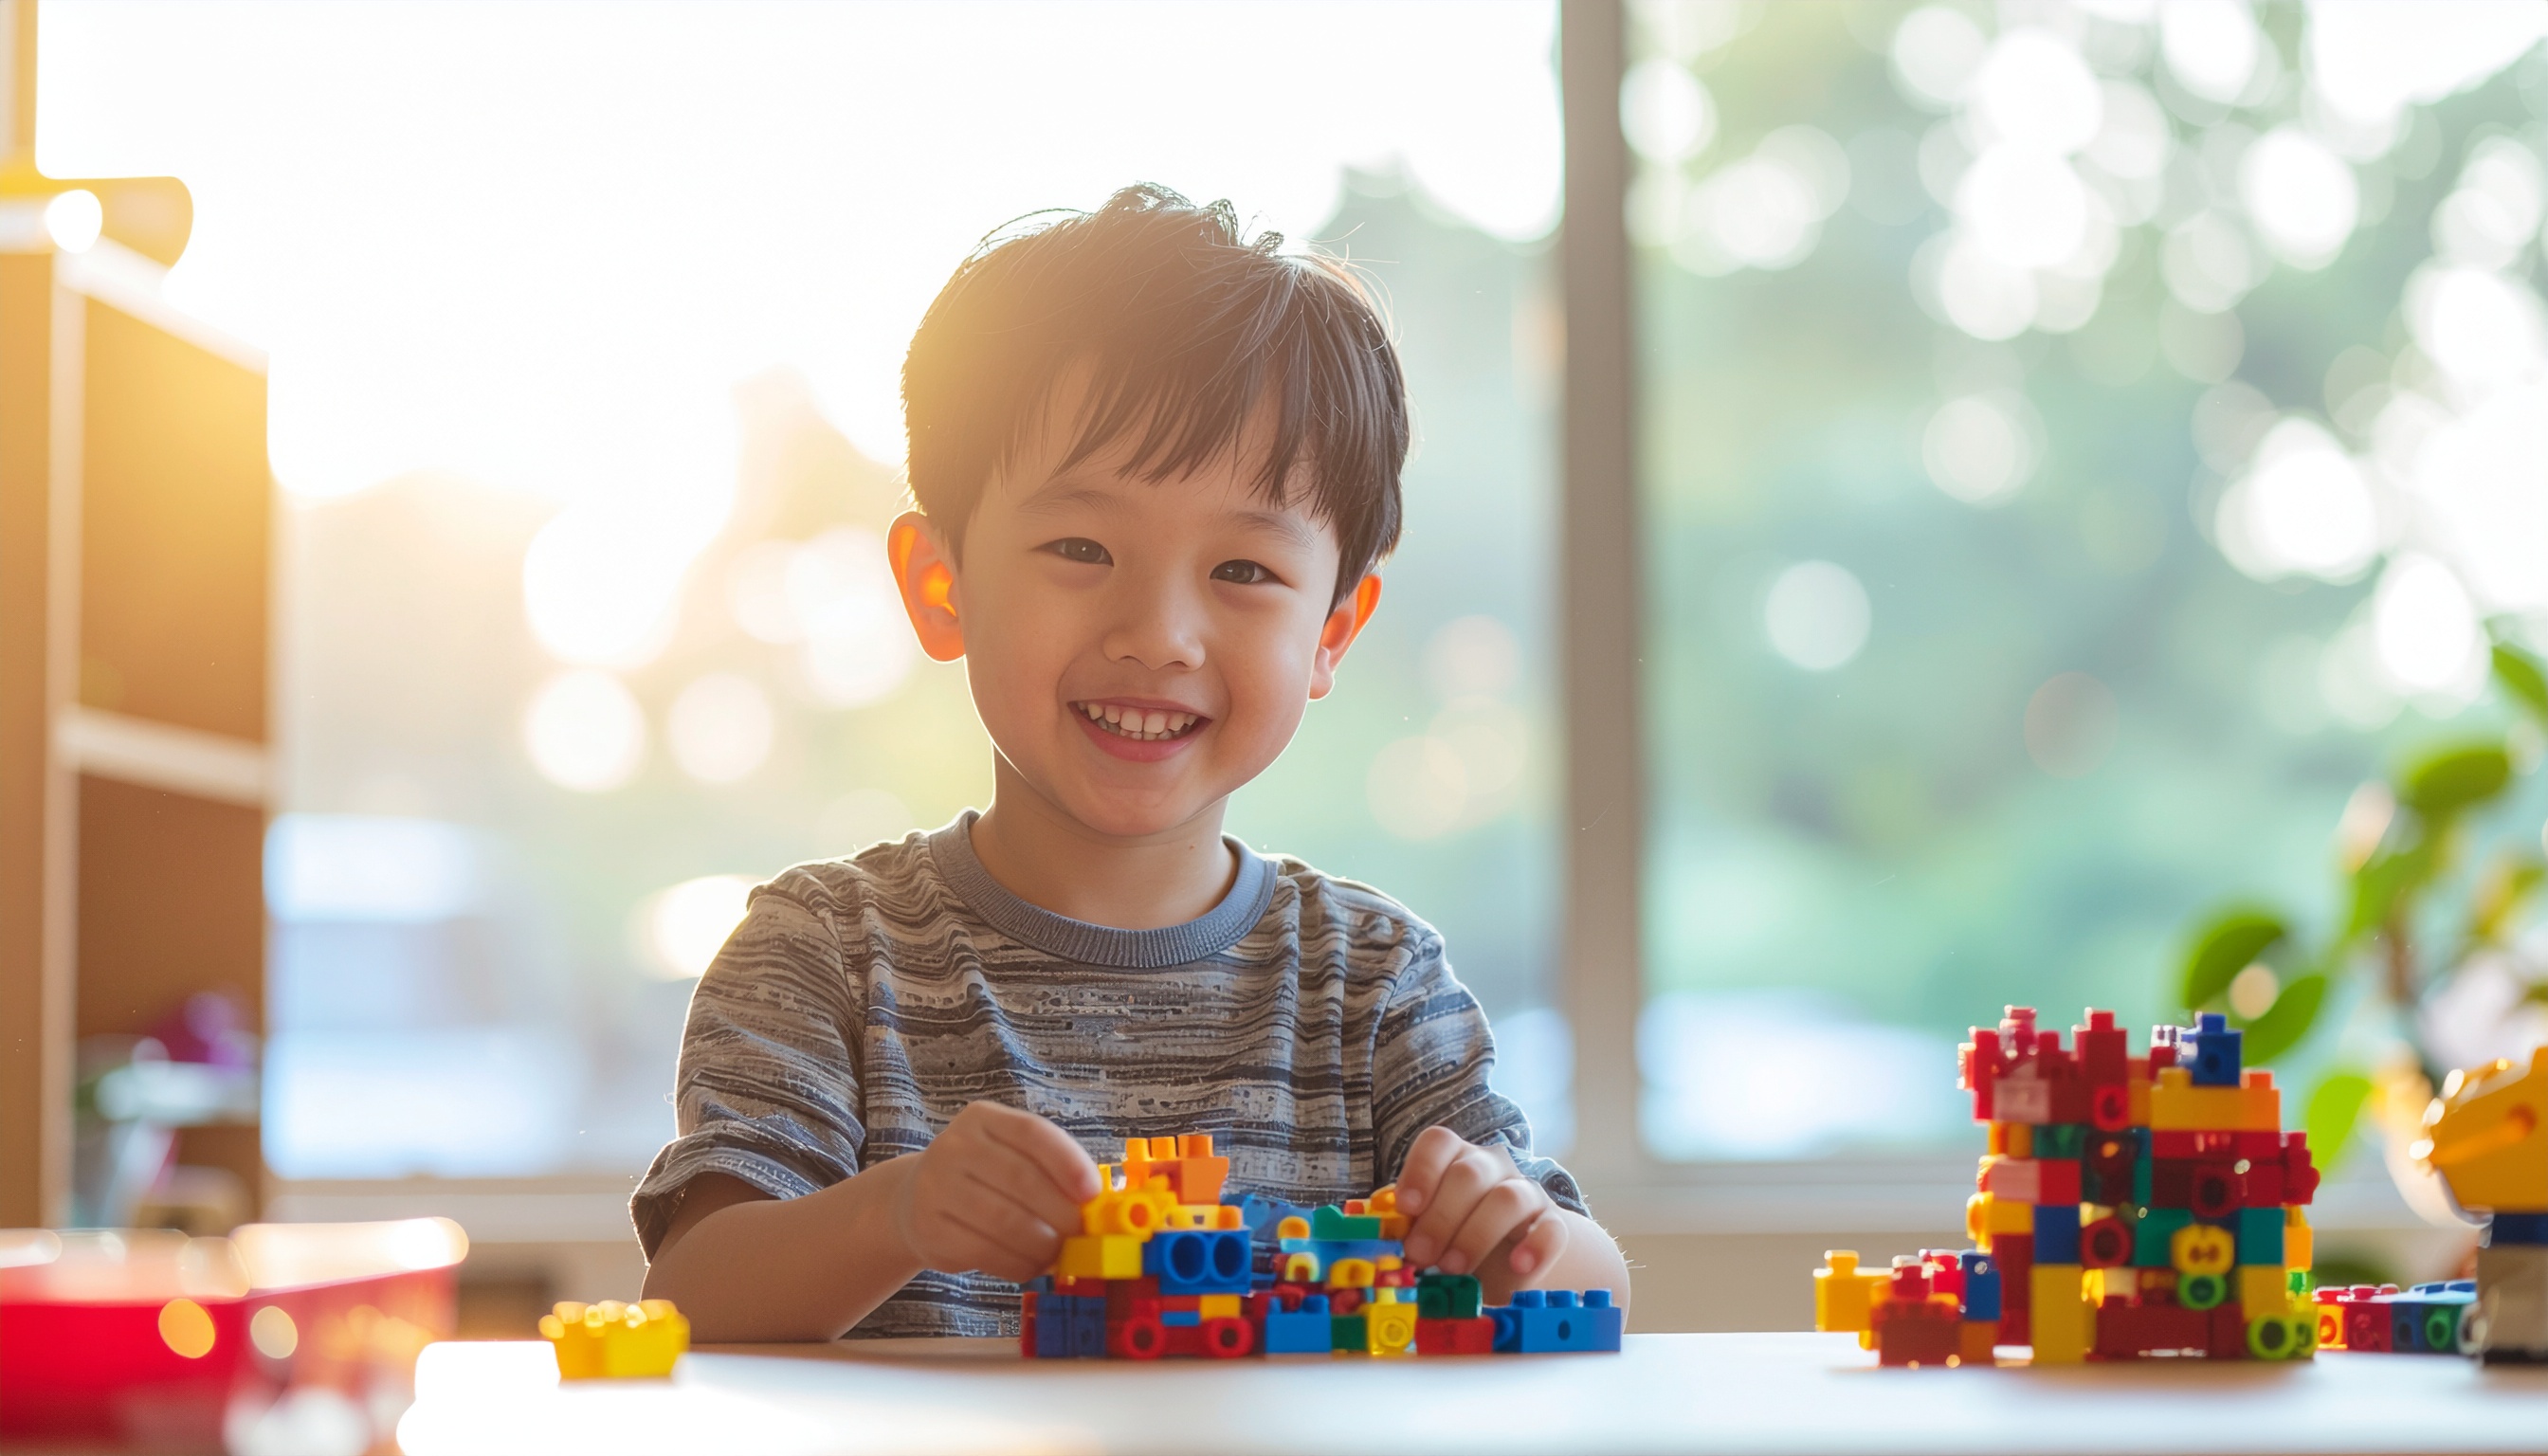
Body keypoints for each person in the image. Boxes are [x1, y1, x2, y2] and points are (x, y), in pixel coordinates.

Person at [636, 184, 1629, 1341]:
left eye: (1244, 572)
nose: (1158, 633)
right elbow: (696, 1301)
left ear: (1331, 634)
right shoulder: (825, 958)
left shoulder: (1374, 982)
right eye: (1080, 547)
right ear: (940, 585)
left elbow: (1587, 1282)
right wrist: (895, 1214)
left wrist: (1518, 1236)